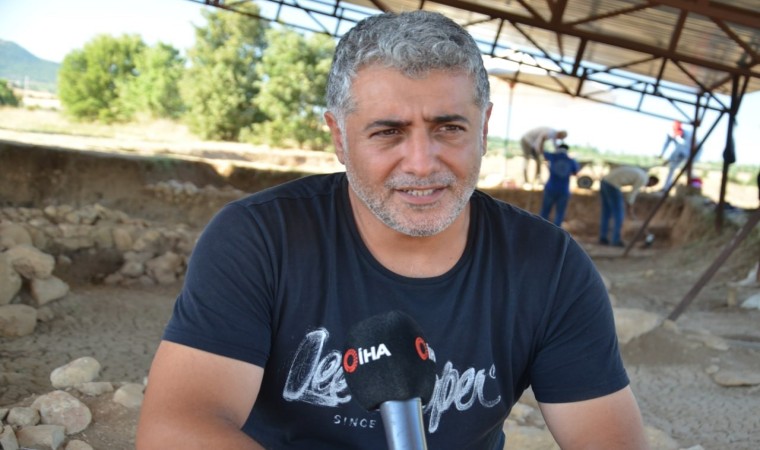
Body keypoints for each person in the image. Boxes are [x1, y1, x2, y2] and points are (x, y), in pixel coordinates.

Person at [137, 11, 649, 450]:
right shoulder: (258, 239)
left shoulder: (550, 267)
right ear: (340, 138)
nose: (422, 163)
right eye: (388, 132)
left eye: (449, 128)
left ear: (485, 128)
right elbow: (177, 428)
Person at [599, 165, 659, 247]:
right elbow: (632, 194)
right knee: (619, 214)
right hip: (613, 185)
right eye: (652, 185)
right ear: (652, 181)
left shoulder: (640, 173)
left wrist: (629, 205)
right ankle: (616, 240)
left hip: (605, 181)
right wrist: (630, 207)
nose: (649, 187)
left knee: (606, 213)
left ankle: (603, 238)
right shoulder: (643, 179)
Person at [539, 143, 580, 227]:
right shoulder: (571, 160)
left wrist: (542, 139)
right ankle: (556, 232)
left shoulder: (553, 156)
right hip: (563, 190)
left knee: (545, 211)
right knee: (560, 213)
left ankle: (540, 228)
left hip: (550, 188)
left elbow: (541, 151)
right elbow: (575, 172)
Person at [659, 120, 694, 192]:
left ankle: (692, 187)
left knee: (689, 170)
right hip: (680, 153)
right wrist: (662, 154)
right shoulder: (670, 133)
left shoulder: (688, 135)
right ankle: (666, 188)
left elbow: (679, 150)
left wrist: (669, 160)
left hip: (691, 152)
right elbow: (666, 144)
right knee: (672, 168)